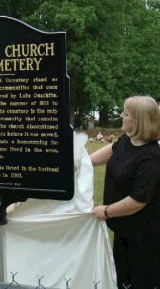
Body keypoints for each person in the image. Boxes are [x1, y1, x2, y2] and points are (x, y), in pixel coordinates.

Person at [91, 96, 160, 289]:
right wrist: (82, 163)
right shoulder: (127, 141)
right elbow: (109, 152)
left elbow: (138, 201)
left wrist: (106, 211)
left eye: (126, 113)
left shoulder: (151, 159)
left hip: (143, 236)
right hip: (124, 229)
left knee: (140, 282)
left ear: (138, 120)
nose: (122, 115)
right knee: (122, 278)